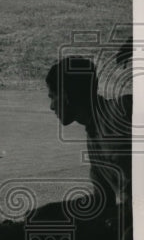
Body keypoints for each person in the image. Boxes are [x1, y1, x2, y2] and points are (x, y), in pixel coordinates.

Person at [46, 55, 132, 215]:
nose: (51, 106)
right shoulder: (93, 140)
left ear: (65, 96)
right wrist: (53, 210)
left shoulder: (125, 109)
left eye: (53, 97)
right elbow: (102, 199)